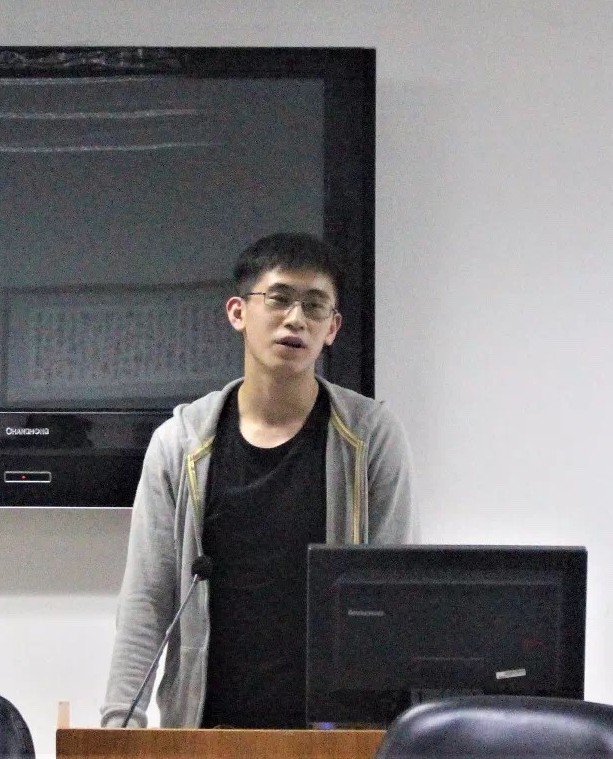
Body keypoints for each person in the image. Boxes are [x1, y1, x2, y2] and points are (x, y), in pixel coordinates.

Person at [100, 232, 417, 729]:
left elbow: (393, 598)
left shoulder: (370, 437)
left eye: (315, 306)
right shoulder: (181, 442)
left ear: (332, 328)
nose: (296, 319)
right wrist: (120, 727)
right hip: (204, 732)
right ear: (238, 312)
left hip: (330, 737)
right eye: (279, 298)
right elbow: (148, 598)